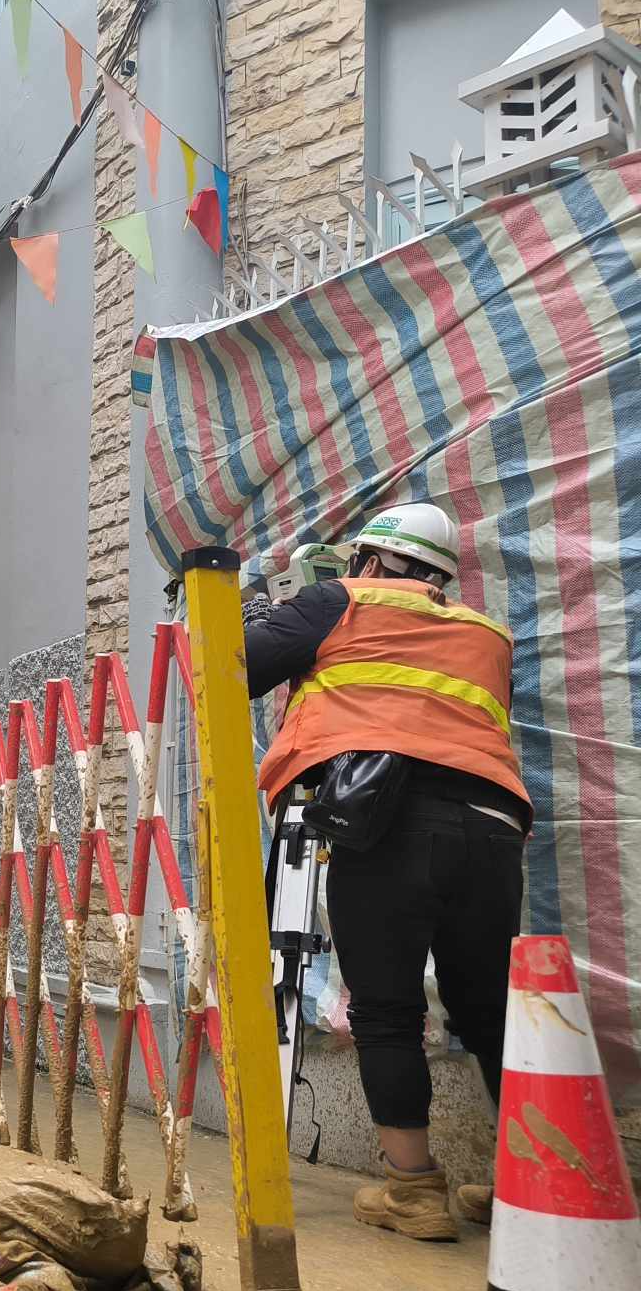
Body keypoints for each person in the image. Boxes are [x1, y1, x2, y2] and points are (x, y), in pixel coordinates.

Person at [244, 502, 529, 1243]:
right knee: (490, 1009)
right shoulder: (487, 632)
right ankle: (534, 1188)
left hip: (392, 825)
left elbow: (238, 663)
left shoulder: (337, 600)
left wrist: (261, 613)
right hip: (493, 828)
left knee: (387, 1008)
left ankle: (414, 1192)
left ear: (369, 561)